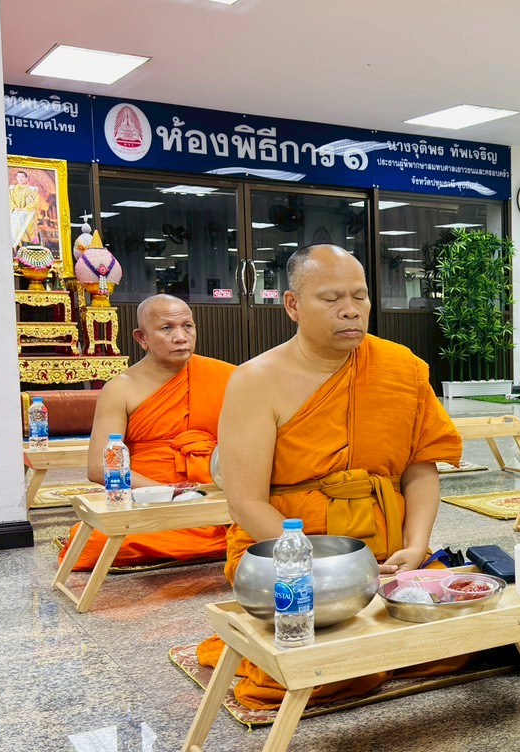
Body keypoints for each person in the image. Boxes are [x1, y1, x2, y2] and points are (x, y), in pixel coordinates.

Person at [197, 244, 463, 708]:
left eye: (360, 296)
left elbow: (420, 468)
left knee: (468, 635)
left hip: (388, 547)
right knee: (316, 672)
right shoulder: (255, 381)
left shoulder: (401, 367)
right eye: (331, 298)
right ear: (293, 305)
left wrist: (416, 546)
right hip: (291, 555)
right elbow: (245, 501)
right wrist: (326, 569)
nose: (351, 310)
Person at [58, 295, 234, 571]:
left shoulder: (226, 376)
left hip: (212, 492)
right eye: (166, 328)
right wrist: (168, 493)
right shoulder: (120, 389)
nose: (181, 337)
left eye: (187, 326)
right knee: (96, 541)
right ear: (142, 338)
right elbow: (98, 468)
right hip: (149, 497)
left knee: (275, 519)